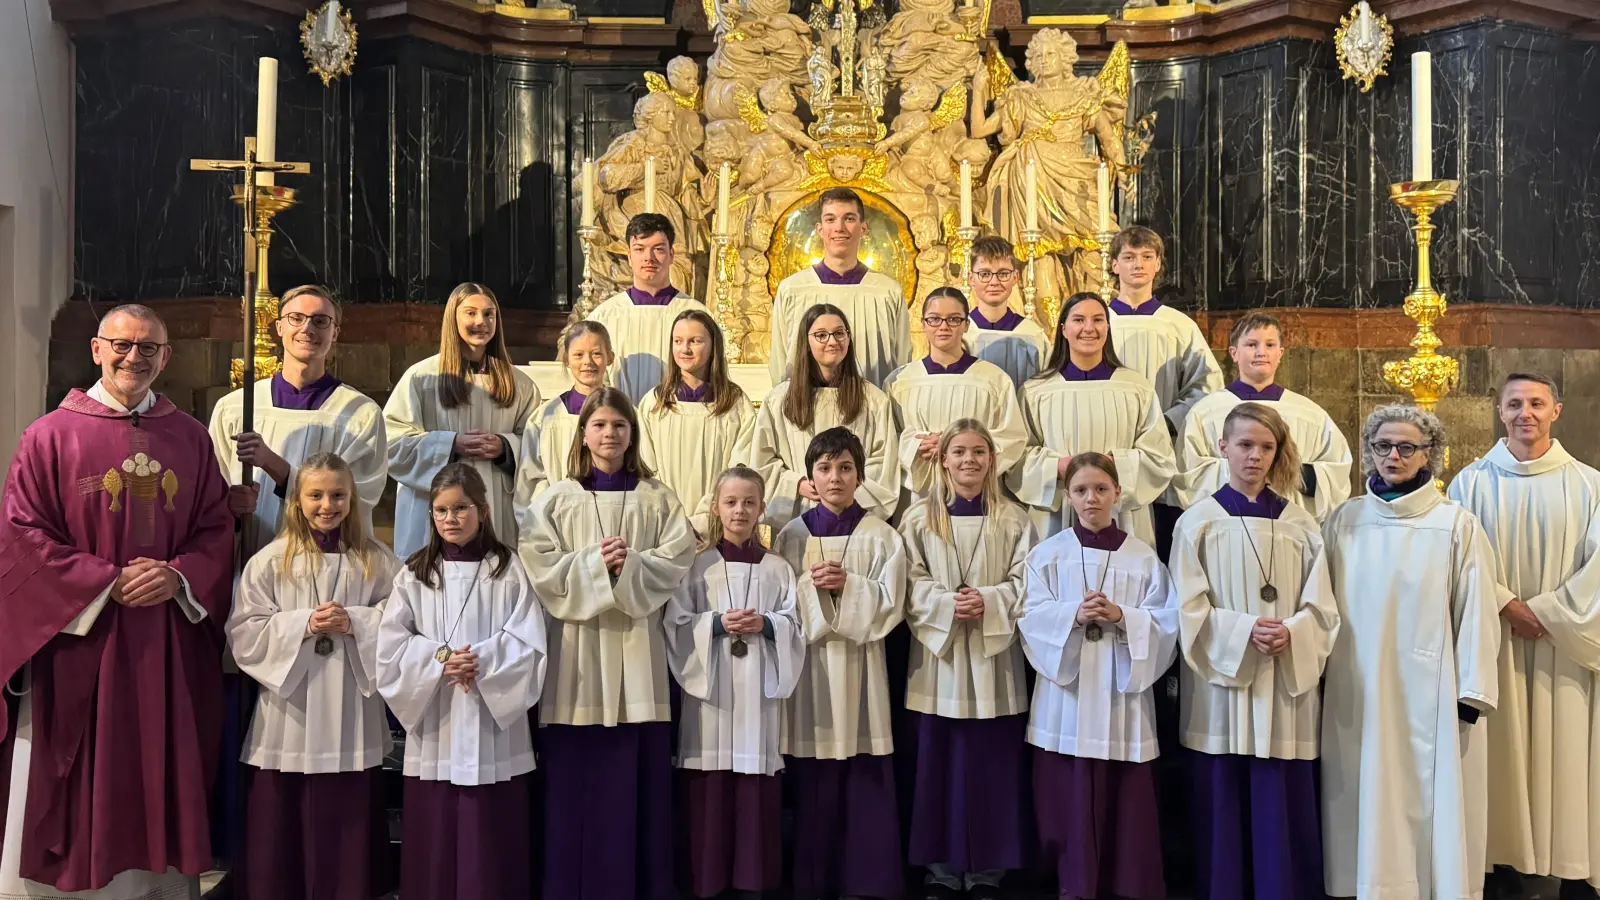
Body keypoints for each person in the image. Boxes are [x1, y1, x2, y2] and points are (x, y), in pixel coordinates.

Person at [0, 304, 233, 898]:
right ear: (97, 350)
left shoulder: (190, 436)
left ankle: (157, 885)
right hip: (85, 640)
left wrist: (178, 577)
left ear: (166, 357)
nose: (135, 357)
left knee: (158, 764)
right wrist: (104, 581)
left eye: (149, 348)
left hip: (164, 640)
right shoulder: (50, 436)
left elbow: (213, 528)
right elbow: (23, 534)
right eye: (122, 345)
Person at [518, 387, 697, 900]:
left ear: (632, 434)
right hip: (576, 654)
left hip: (640, 651)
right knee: (576, 780)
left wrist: (631, 564)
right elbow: (540, 566)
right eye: (599, 425)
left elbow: (678, 559)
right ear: (583, 434)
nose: (609, 434)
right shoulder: (555, 498)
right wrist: (599, 564)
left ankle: (640, 882)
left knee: (634, 780)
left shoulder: (657, 497)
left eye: (619, 425)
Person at [1321, 405, 1501, 900]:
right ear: (1369, 453)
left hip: (1432, 692)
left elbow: (1478, 611)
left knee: (1426, 803)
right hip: (1354, 687)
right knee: (1360, 793)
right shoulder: (1345, 519)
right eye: (1383, 446)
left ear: (1429, 456)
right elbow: (1318, 605)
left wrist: (1472, 690)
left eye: (1406, 447)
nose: (1393, 456)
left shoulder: (1455, 524)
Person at [1169, 403, 1339, 900]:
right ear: (1223, 448)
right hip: (1222, 683)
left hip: (1284, 677)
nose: (1256, 456)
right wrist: (1244, 631)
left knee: (1280, 793)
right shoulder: (1197, 521)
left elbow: (1324, 608)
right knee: (1222, 791)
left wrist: (1295, 632)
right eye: (1245, 445)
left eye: (1267, 447)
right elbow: (1185, 605)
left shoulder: (1301, 524)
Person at [1447, 373, 1600, 898]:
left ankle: (1572, 864)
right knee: (1501, 749)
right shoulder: (1468, 483)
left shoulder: (1590, 484)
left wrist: (1550, 613)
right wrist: (1507, 605)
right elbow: (1459, 562)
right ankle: (1502, 861)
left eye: (1536, 403)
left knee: (1568, 749)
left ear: (1556, 410)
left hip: (1564, 648)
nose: (1525, 413)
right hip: (1497, 641)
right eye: (1515, 404)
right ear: (1500, 411)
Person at [227, 452, 398, 900]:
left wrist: (356, 623)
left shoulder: (376, 560)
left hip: (350, 706)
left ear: (352, 499)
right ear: (297, 501)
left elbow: (403, 622)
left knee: (350, 812)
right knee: (282, 812)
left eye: (338, 495)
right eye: (316, 495)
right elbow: (244, 632)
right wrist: (302, 624)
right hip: (291, 712)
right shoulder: (270, 560)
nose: (328, 505)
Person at [377, 463, 546, 899]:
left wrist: (482, 662)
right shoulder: (415, 572)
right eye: (441, 510)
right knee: (436, 834)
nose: (450, 519)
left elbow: (529, 639)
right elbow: (392, 644)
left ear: (483, 511)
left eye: (461, 508)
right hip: (438, 720)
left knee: (491, 833)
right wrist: (439, 660)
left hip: (493, 724)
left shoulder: (508, 569)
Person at [1018, 452, 1179, 900]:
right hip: (1067, 697)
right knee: (1063, 797)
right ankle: (1070, 880)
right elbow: (1029, 616)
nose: (1092, 499)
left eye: (1101, 489)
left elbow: (1167, 622)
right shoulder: (1048, 554)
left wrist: (1123, 615)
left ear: (1117, 494)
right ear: (1068, 497)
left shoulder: (1144, 558)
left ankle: (1125, 883)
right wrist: (1073, 614)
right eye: (1082, 490)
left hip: (1118, 696)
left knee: (1124, 800)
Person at [899, 420, 1036, 899]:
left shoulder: (1016, 520)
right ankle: (940, 869)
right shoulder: (918, 518)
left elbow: (1028, 583)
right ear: (943, 459)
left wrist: (992, 601)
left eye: (979, 452)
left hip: (993, 659)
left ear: (992, 460)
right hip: (939, 660)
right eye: (959, 452)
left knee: (990, 768)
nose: (969, 461)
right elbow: (908, 581)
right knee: (937, 766)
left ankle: (987, 871)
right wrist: (944, 604)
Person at [775, 427, 908, 900]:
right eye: (825, 468)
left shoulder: (881, 536)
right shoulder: (792, 535)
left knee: (864, 770)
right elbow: (779, 603)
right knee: (813, 777)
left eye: (845, 467)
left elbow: (893, 604)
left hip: (862, 668)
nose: (835, 478)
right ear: (810, 477)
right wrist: (814, 589)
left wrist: (848, 587)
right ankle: (813, 880)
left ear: (860, 475)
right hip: (809, 670)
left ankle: (867, 880)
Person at [663, 466, 805, 899]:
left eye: (749, 502)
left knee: (754, 788)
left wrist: (768, 625)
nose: (740, 510)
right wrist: (717, 624)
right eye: (731, 502)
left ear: (763, 508)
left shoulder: (779, 569)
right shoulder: (696, 566)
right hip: (711, 696)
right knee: (709, 788)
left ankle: (752, 882)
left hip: (756, 695)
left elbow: (797, 627)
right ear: (714, 507)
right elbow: (676, 624)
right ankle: (707, 881)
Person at [210, 285, 388, 550]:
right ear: (279, 327)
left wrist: (275, 466)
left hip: (320, 561)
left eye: (320, 321)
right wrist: (232, 506)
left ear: (335, 333)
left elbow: (356, 499)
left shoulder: (359, 414)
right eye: (296, 318)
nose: (307, 329)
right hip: (245, 556)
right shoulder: (235, 407)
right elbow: (211, 492)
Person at [385, 282, 542, 557]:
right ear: (453, 318)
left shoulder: (520, 384)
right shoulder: (421, 379)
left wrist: (506, 448)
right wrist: (450, 445)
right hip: (434, 511)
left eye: (489, 314)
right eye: (470, 313)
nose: (481, 321)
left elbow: (540, 446)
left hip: (495, 506)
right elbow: (391, 445)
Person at [1011, 292, 1175, 543]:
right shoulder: (1036, 391)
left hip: (1121, 513)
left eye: (1098, 320)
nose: (1089, 328)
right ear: (1064, 329)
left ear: (1108, 328)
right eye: (1079, 320)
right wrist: (1058, 466)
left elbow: (1159, 457)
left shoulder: (1135, 388)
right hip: (1056, 514)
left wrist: (1113, 466)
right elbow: (1017, 457)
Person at [734, 303, 901, 529]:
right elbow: (760, 462)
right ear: (806, 342)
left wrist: (841, 489)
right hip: (798, 520)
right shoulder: (779, 400)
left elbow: (884, 463)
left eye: (839, 333)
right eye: (821, 335)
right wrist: (797, 483)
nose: (832, 342)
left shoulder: (872, 400)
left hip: (853, 522)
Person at [1177, 312, 1351, 522]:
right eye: (1251, 344)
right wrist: (1255, 468)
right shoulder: (1205, 411)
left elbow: (1337, 472)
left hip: (1289, 524)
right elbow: (1188, 473)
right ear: (1234, 353)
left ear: (1280, 353)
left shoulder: (1310, 413)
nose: (1261, 352)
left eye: (1270, 345)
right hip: (1226, 523)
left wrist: (1292, 472)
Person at [885, 287, 1027, 499]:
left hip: (976, 492)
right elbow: (887, 439)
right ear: (923, 324)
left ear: (966, 324)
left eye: (953, 319)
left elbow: (1012, 438)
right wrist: (917, 445)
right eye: (934, 319)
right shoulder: (899, 381)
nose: (943, 327)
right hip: (919, 495)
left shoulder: (993, 379)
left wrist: (958, 447)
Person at [767, 187, 912, 386]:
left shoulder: (887, 292)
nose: (839, 228)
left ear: (863, 228)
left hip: (872, 411)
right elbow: (780, 362)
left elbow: (901, 363)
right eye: (830, 219)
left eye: (849, 218)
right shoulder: (793, 289)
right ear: (819, 229)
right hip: (806, 411)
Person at [638, 309, 757, 532]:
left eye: (695, 341)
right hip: (665, 522)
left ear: (713, 345)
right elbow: (646, 467)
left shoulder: (735, 403)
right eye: (678, 341)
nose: (685, 349)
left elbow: (741, 465)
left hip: (718, 520)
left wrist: (707, 514)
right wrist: (672, 515)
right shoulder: (654, 403)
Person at [1105, 226, 1224, 435]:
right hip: (1107, 431)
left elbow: (1206, 383)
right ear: (1115, 265)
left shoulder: (1178, 325)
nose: (1138, 264)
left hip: (1165, 437)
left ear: (1158, 264)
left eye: (1147, 256)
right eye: (1129, 257)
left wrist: (1170, 421)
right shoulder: (1098, 323)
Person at [585, 214, 712, 405]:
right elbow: (592, 381)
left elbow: (713, 375)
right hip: (621, 425)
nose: (649, 258)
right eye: (639, 249)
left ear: (671, 255)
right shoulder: (604, 316)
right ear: (629, 256)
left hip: (678, 420)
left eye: (658, 249)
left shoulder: (697, 316)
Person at [515, 320, 614, 503]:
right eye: (578, 355)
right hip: (560, 518)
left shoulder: (625, 413)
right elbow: (531, 480)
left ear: (610, 358)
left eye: (597, 354)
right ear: (566, 360)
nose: (588, 362)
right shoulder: (546, 417)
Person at [962, 236, 1051, 389]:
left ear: (1015, 277)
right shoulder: (961, 333)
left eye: (1003, 274)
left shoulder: (1033, 334)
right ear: (971, 278)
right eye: (985, 274)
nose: (994, 282)